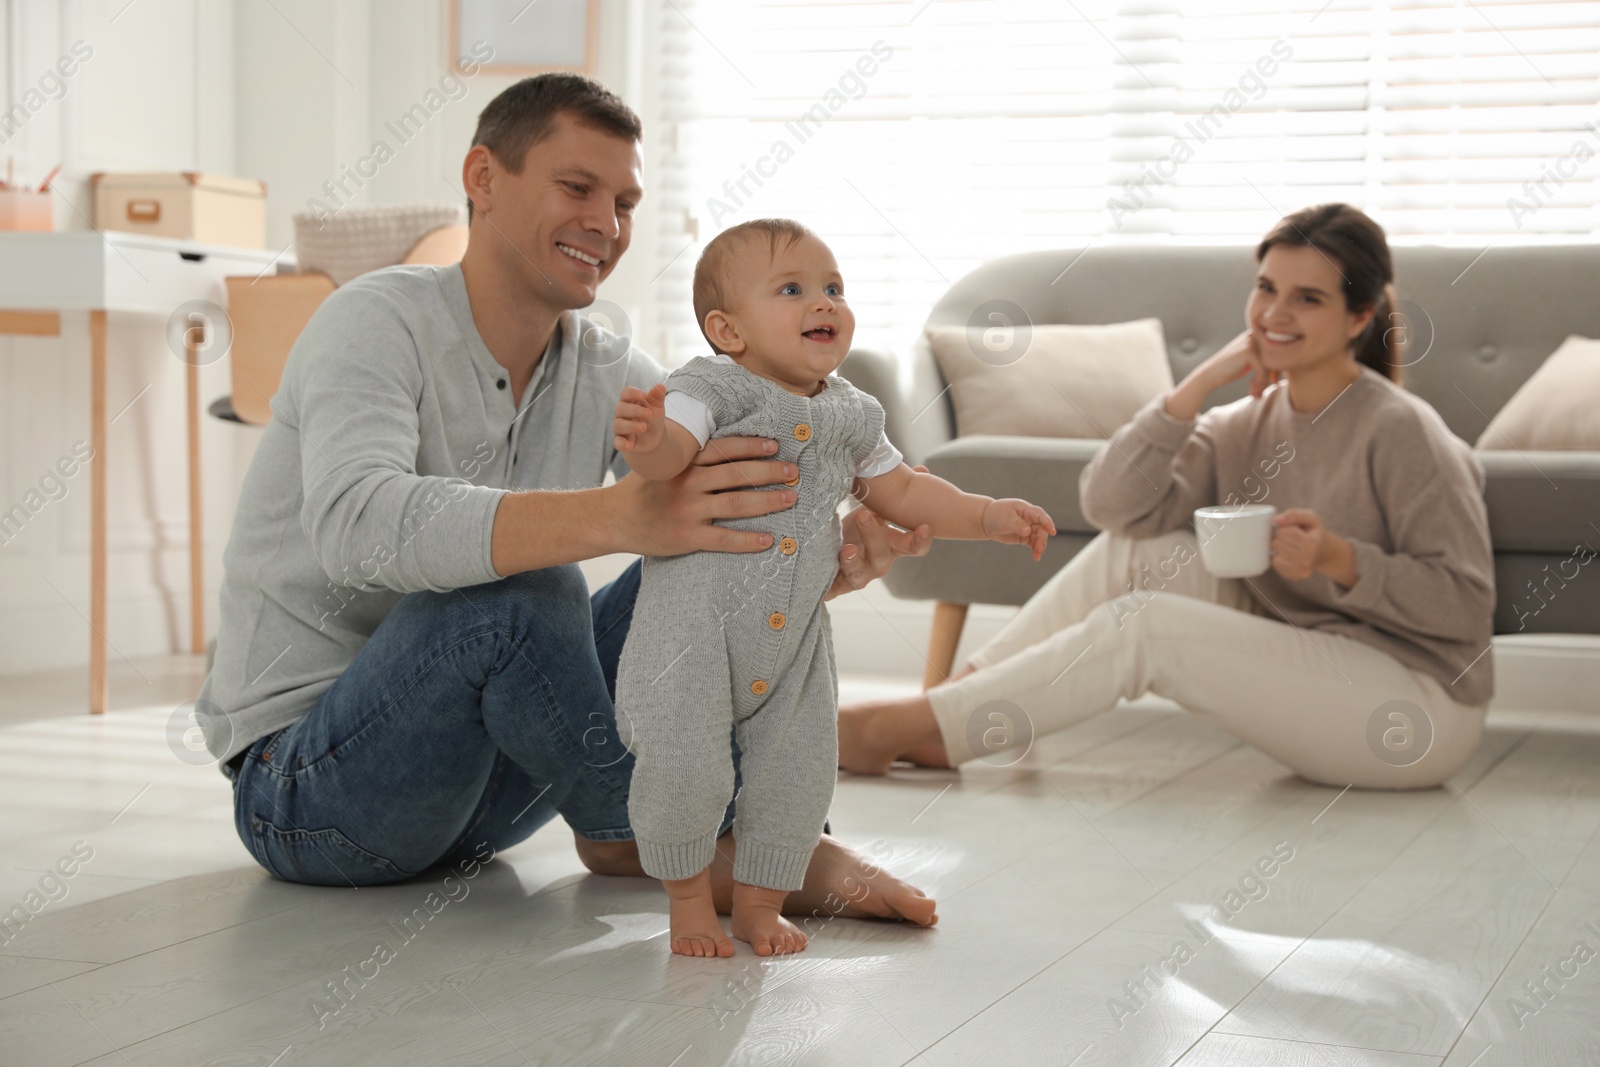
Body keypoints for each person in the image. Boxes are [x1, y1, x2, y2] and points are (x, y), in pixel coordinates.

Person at [196, 73, 938, 929]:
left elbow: (730, 500)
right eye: (577, 188)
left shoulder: (605, 369)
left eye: (624, 201)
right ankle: (652, 834)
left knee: (688, 568)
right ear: (483, 178)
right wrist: (619, 515)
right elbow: (356, 529)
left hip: (487, 805)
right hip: (309, 794)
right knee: (527, 594)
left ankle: (694, 831)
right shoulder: (374, 321)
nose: (608, 225)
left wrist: (813, 554)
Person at [838, 203, 1495, 790]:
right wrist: (1195, 388)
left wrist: (1338, 559)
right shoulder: (1245, 423)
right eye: (1266, 288)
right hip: (1319, 652)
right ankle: (948, 708)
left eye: (1307, 298)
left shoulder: (1401, 429)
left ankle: (905, 726)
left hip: (1418, 707)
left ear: (1360, 316)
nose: (1274, 313)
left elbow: (1466, 605)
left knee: (1149, 628)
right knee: (1140, 548)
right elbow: (1111, 506)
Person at [611, 219, 1053, 956]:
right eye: (793, 289)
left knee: (799, 773)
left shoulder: (851, 412)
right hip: (691, 634)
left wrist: (986, 514)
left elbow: (904, 489)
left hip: (795, 641)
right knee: (684, 767)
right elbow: (667, 459)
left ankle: (759, 906)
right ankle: (689, 904)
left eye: (834, 288)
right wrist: (648, 438)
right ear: (729, 329)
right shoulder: (709, 386)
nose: (824, 303)